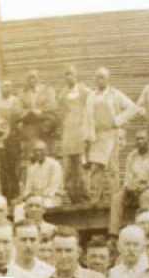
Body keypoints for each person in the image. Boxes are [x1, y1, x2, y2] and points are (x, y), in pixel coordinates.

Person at [85, 68, 139, 211]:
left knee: (112, 168)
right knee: (96, 168)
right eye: (97, 77)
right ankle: (95, 199)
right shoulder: (91, 96)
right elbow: (87, 118)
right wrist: (88, 136)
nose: (99, 80)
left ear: (108, 79)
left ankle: (115, 199)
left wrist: (117, 121)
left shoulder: (115, 94)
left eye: (102, 77)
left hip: (111, 134)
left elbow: (133, 108)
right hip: (97, 136)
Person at [119, 130, 149, 235]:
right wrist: (130, 186)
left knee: (145, 197)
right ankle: (114, 232)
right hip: (135, 187)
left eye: (142, 138)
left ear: (148, 140)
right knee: (117, 197)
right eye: (137, 139)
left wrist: (146, 186)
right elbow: (127, 177)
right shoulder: (131, 156)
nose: (140, 141)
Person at [58, 66, 92, 202]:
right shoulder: (62, 94)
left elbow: (90, 110)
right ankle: (72, 196)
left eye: (71, 74)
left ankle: (86, 194)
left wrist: (88, 132)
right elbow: (61, 113)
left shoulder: (85, 91)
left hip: (81, 131)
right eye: (66, 75)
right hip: (68, 132)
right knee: (69, 165)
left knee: (81, 165)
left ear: (76, 76)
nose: (69, 77)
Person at [18, 70, 58, 160]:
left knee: (46, 153)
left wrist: (41, 111)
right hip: (30, 126)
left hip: (45, 125)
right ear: (27, 81)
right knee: (32, 153)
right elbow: (19, 109)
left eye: (34, 77)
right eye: (30, 78)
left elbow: (52, 105)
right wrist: (28, 111)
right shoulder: (23, 93)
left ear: (38, 78)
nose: (32, 80)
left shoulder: (47, 90)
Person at [0, 80, 23, 203]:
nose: (6, 89)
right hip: (1, 138)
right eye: (3, 86)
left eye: (8, 86)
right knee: (3, 167)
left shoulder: (15, 101)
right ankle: (6, 195)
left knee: (13, 167)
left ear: (11, 88)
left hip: (13, 138)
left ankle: (16, 194)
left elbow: (19, 118)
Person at [23, 141, 64, 208]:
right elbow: (28, 188)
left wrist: (36, 194)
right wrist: (26, 196)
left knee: (38, 206)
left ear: (46, 151)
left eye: (41, 150)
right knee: (19, 208)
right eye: (36, 151)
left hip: (52, 199)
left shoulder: (54, 165)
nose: (38, 153)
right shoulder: (32, 168)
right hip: (34, 199)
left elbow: (53, 188)